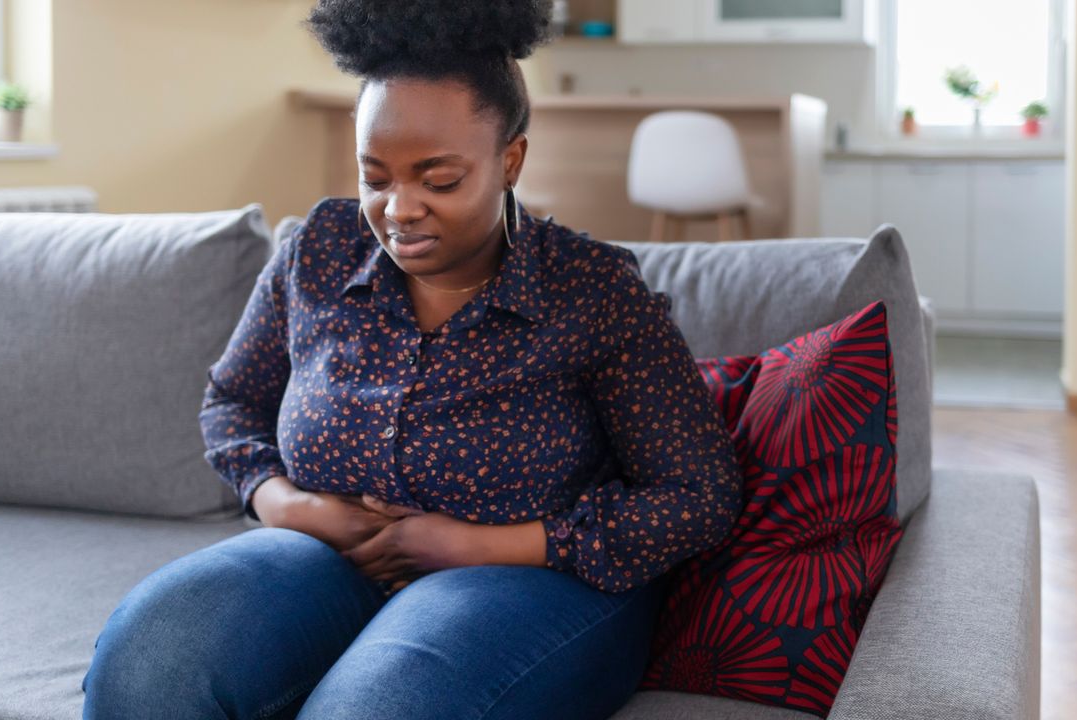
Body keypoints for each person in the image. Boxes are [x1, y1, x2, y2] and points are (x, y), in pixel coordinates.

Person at [80, 1, 743, 718]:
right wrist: (293, 507)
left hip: (533, 583)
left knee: (378, 707)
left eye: (439, 179)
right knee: (150, 657)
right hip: (324, 562)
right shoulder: (320, 250)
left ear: (510, 160)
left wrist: (485, 544)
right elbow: (233, 403)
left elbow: (698, 496)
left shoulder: (592, 291)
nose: (399, 208)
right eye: (376, 177)